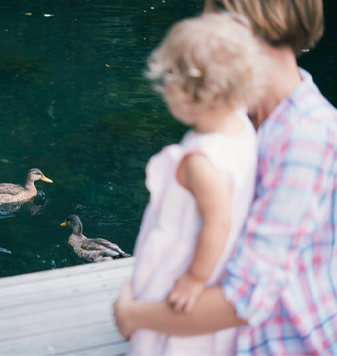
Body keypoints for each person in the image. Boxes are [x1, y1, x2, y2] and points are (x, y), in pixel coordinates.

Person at [114, 0, 337, 355]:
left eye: (207, 14)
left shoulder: (305, 137)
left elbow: (243, 303)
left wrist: (134, 315)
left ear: (240, 24)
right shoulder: (240, 117)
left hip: (284, 343)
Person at [125, 13, 267, 355]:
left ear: (185, 94)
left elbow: (218, 222)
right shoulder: (243, 127)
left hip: (185, 260)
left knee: (169, 341)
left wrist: (192, 280)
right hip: (222, 262)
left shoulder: (201, 160)